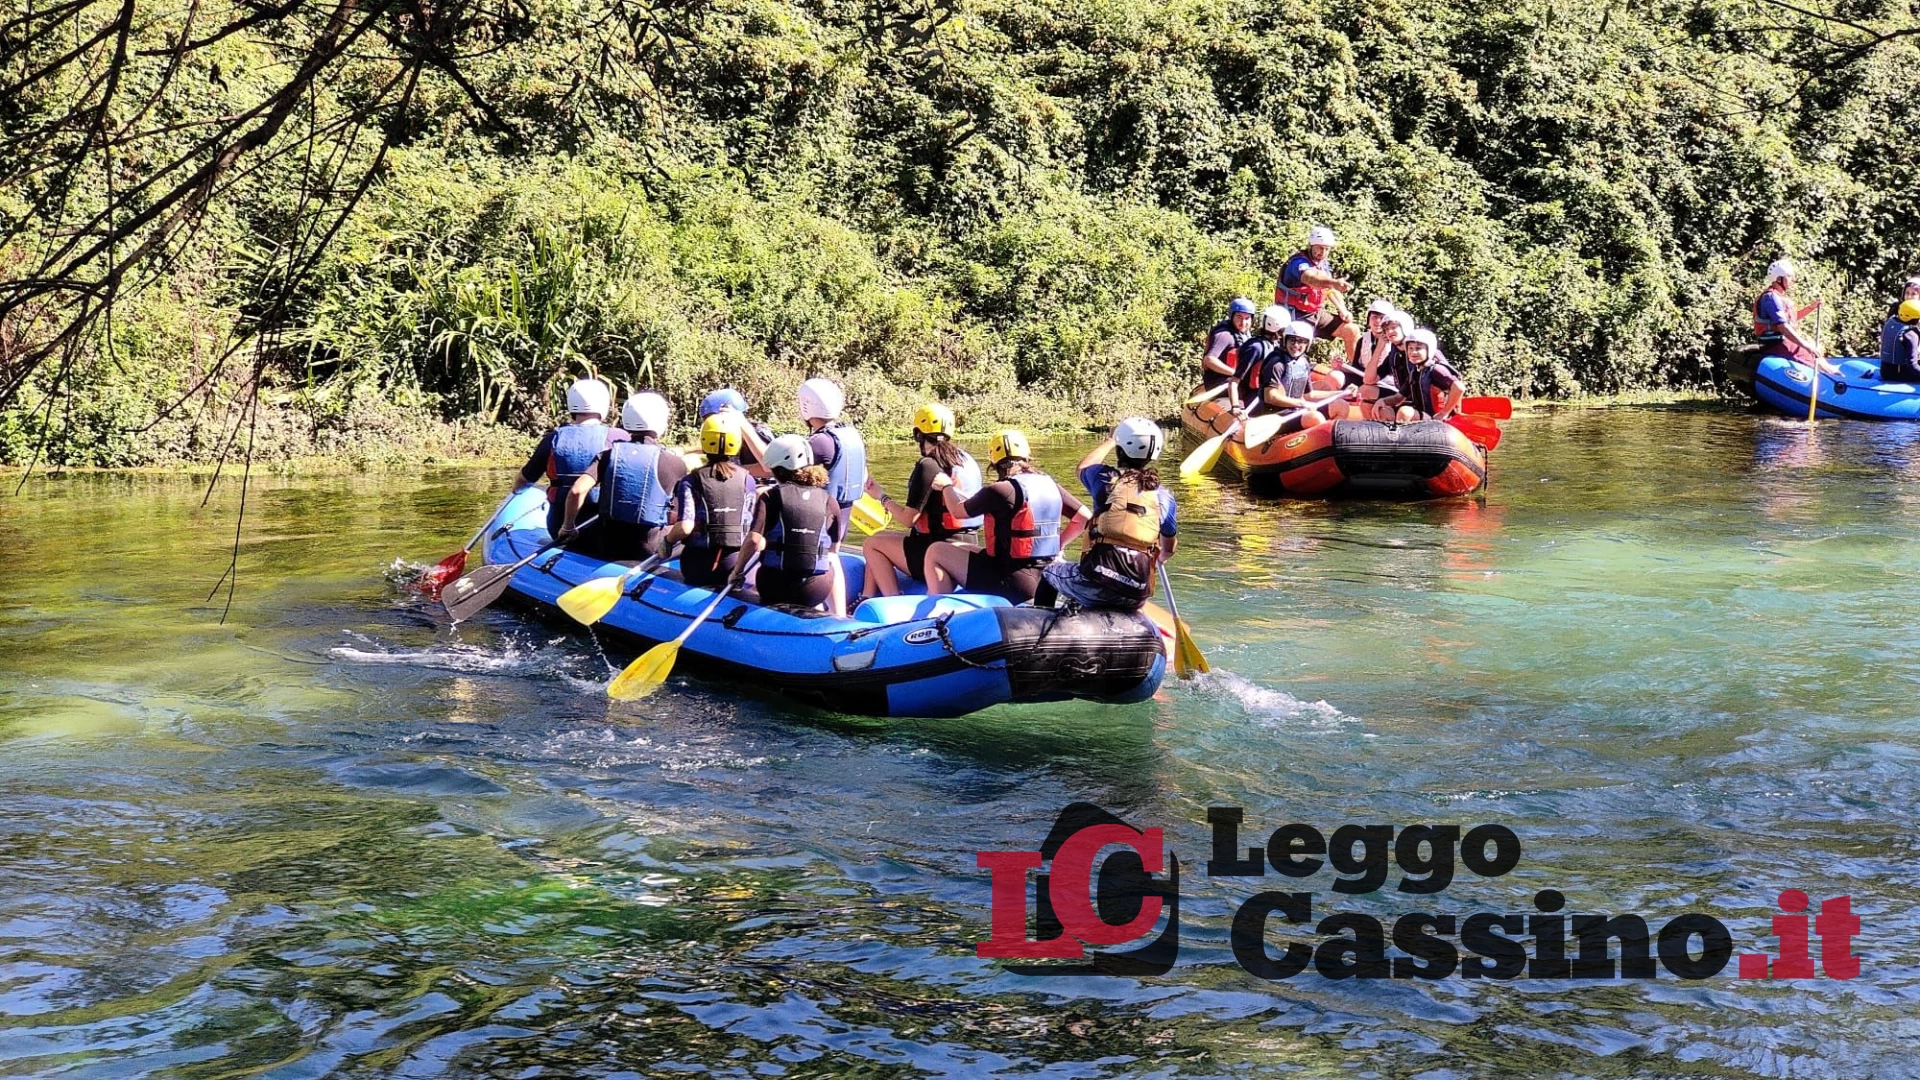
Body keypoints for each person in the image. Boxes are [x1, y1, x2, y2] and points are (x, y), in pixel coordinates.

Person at [926, 430, 1089, 603]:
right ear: (1026, 457)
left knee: (935, 550)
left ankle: (935, 617)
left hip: (1011, 581)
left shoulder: (998, 490)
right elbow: (1084, 517)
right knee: (958, 545)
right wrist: (1057, 545)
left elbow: (958, 511)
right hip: (1046, 581)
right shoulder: (1049, 483)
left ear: (994, 463)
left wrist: (946, 487)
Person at [1035, 418, 1178, 613]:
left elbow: (1082, 468)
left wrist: (1110, 440)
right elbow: (1167, 551)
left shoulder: (1103, 479)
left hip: (1096, 583)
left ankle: (1040, 624)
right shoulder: (1165, 497)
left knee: (1049, 572)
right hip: (1136, 595)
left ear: (1120, 449)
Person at [857, 403, 983, 600]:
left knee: (872, 543)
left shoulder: (927, 465)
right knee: (884, 537)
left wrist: (881, 496)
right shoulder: (966, 460)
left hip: (935, 551)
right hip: (966, 550)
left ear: (919, 435)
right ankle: (866, 597)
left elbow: (909, 519)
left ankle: (892, 601)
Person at [557, 392, 687, 561]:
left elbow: (577, 491)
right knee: (689, 532)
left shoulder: (607, 456)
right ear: (660, 422)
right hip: (648, 548)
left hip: (607, 545)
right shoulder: (675, 463)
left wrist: (568, 527)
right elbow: (679, 514)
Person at [737, 434, 847, 616]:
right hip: (817, 591)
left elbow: (754, 540)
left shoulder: (771, 496)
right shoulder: (830, 500)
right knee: (832, 559)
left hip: (775, 587)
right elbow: (834, 548)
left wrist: (737, 572)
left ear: (777, 470)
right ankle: (839, 616)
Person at [513, 377, 629, 539]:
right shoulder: (620, 437)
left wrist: (516, 492)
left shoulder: (553, 439)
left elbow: (524, 480)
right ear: (604, 404)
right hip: (604, 527)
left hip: (558, 525)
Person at [662, 413, 757, 589]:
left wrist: (666, 542)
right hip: (735, 565)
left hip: (697, 566)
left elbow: (685, 527)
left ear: (705, 440)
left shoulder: (691, 480)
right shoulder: (748, 480)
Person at [1276, 226, 1361, 365]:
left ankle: (1358, 373)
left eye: (1327, 249)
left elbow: (1328, 290)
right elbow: (1311, 279)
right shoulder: (1298, 263)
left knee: (1351, 330)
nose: (1323, 252)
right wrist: (1334, 282)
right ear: (1311, 245)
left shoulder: (1322, 264)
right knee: (1293, 353)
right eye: (1320, 248)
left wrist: (1343, 310)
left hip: (1315, 313)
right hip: (1295, 315)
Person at [797, 377, 868, 543]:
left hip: (820, 529)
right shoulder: (851, 435)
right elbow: (864, 476)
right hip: (840, 526)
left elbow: (776, 471)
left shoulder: (819, 442)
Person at [1260, 320, 1356, 430]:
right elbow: (1270, 397)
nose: (1296, 345)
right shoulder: (1276, 363)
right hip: (1278, 415)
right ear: (1285, 340)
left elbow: (1309, 395)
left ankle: (1331, 441)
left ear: (1307, 344)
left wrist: (1341, 393)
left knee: (1341, 405)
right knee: (1315, 418)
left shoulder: (1303, 362)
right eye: (1292, 340)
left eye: (1301, 341)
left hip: (1297, 410)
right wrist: (1301, 404)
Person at [1754, 259, 1839, 376]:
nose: (1793, 279)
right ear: (1779, 279)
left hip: (1782, 340)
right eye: (1789, 276)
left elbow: (1791, 319)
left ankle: (1830, 369)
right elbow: (1783, 327)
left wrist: (1811, 307)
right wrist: (1806, 346)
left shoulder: (1778, 296)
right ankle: (1833, 375)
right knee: (1810, 352)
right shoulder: (1770, 297)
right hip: (1775, 343)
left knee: (1816, 347)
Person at [700, 387, 775, 476]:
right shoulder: (726, 434)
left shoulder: (757, 432)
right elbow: (714, 445)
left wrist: (731, 471)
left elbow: (771, 468)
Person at [1395, 328, 1465, 421]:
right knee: (1387, 411)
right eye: (1410, 348)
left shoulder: (1436, 370)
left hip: (1437, 419)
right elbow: (1399, 397)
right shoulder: (1415, 372)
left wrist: (1444, 413)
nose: (1413, 352)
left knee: (1405, 412)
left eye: (1418, 348)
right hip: (1425, 417)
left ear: (1429, 349)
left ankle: (1402, 435)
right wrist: (1382, 402)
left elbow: (1459, 387)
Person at [1234, 305, 1289, 411]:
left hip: (1265, 392)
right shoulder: (1255, 348)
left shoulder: (1274, 345)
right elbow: (1236, 380)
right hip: (1252, 397)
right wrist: (1236, 406)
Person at [1202, 298, 1258, 396]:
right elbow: (1209, 360)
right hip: (1219, 382)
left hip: (1230, 380)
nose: (1243, 322)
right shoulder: (1224, 335)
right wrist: (1236, 373)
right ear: (1232, 316)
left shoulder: (1243, 334)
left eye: (1247, 318)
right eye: (1239, 317)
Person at [1881, 279, 1920, 376]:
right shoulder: (1897, 309)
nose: (1909, 297)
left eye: (1913, 294)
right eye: (1907, 293)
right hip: (1902, 367)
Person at [1883, 300, 1920, 383]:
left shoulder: (1891, 321)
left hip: (1886, 372)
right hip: (1900, 375)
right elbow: (1913, 366)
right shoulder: (1911, 335)